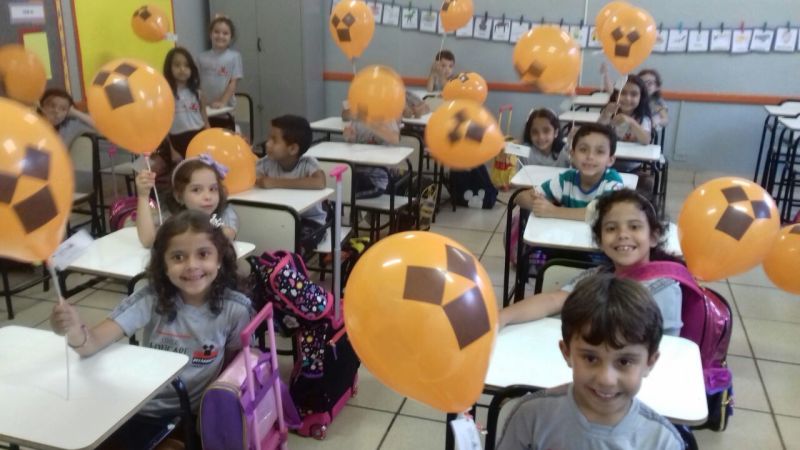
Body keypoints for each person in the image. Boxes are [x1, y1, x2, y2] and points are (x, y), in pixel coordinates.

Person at [49, 210, 253, 447]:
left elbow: (233, 367)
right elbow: (91, 343)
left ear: (219, 259)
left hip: (191, 414)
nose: (191, 265)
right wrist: (73, 329)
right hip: (138, 407)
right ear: (163, 265)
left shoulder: (236, 309)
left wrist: (212, 412)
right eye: (178, 257)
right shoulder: (150, 299)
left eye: (203, 254)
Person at [496, 273, 683, 450]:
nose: (606, 379)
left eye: (624, 361)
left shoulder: (662, 442)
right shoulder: (530, 417)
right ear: (567, 352)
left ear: (650, 362)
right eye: (591, 358)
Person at [500, 188, 684, 336]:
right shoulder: (597, 276)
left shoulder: (664, 289)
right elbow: (552, 300)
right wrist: (502, 316)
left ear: (653, 237)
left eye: (634, 226)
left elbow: (664, 351)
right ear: (600, 241)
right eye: (611, 228)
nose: (622, 234)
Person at [515, 123, 624, 221]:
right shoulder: (566, 180)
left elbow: (604, 213)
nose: (590, 156)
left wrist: (554, 211)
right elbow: (520, 198)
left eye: (599, 152)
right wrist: (539, 204)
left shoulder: (612, 181)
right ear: (572, 155)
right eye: (583, 149)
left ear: (610, 160)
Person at [255, 115, 328, 256]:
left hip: (310, 220)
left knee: (298, 245)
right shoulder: (266, 163)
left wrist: (275, 182)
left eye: (274, 140)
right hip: (280, 218)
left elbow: (320, 182)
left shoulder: (307, 163)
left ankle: (291, 266)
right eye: (269, 138)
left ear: (293, 149)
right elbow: (251, 178)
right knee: (265, 238)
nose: (267, 144)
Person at [136, 155, 238, 247]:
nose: (208, 196)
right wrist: (143, 196)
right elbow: (148, 241)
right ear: (179, 197)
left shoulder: (224, 213)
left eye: (213, 189)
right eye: (196, 190)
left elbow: (228, 235)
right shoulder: (173, 218)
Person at [198, 16, 242, 130]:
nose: (220, 36)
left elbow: (233, 82)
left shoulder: (234, 57)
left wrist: (222, 102)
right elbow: (197, 83)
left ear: (231, 37)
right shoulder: (201, 57)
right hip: (206, 110)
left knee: (224, 137)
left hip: (225, 110)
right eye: (216, 32)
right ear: (210, 34)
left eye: (225, 33)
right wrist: (201, 103)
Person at [163, 47, 209, 158]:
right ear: (169, 68)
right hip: (178, 140)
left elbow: (205, 118)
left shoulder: (197, 93)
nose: (182, 69)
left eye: (187, 65)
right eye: (177, 65)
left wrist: (210, 137)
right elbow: (163, 127)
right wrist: (172, 150)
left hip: (198, 135)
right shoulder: (166, 95)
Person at [599, 75, 652, 145]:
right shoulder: (610, 113)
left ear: (641, 98)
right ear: (616, 95)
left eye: (634, 94)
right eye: (623, 93)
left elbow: (646, 141)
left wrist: (631, 122)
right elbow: (597, 133)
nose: (627, 98)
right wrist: (605, 115)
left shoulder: (643, 118)